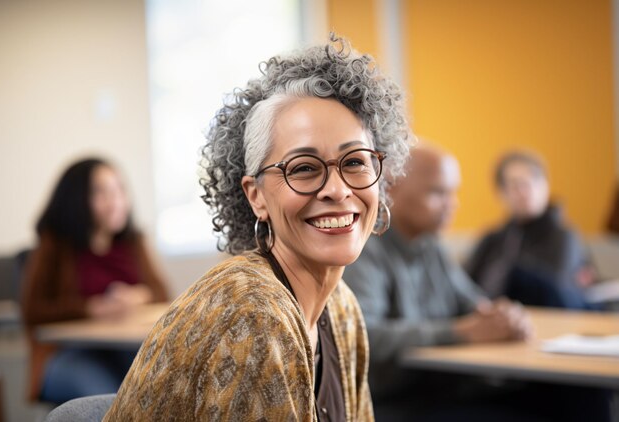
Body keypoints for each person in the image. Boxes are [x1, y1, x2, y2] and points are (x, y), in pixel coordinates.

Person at [104, 36, 411, 421]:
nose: (337, 189)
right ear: (256, 197)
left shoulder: (342, 307)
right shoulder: (253, 312)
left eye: (355, 162)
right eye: (303, 168)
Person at [344, 145, 532, 420]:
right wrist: (459, 333)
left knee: (565, 398)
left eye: (453, 193)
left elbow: (473, 304)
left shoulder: (429, 244)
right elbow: (366, 336)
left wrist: (501, 317)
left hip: (441, 392)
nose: (452, 204)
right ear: (391, 188)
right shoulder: (363, 250)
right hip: (397, 406)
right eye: (438, 192)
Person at [21, 158, 169, 405]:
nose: (116, 201)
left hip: (123, 347)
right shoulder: (54, 245)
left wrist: (138, 296)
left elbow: (162, 293)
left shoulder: (132, 241)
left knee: (162, 387)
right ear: (76, 199)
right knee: (111, 402)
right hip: (68, 354)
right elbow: (32, 312)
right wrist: (91, 308)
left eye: (119, 190)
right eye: (101, 192)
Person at [465, 150, 592, 308]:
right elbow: (464, 285)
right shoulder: (492, 239)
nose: (525, 191)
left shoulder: (563, 237)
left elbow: (559, 296)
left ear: (545, 184)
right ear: (501, 193)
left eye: (533, 180)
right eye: (516, 184)